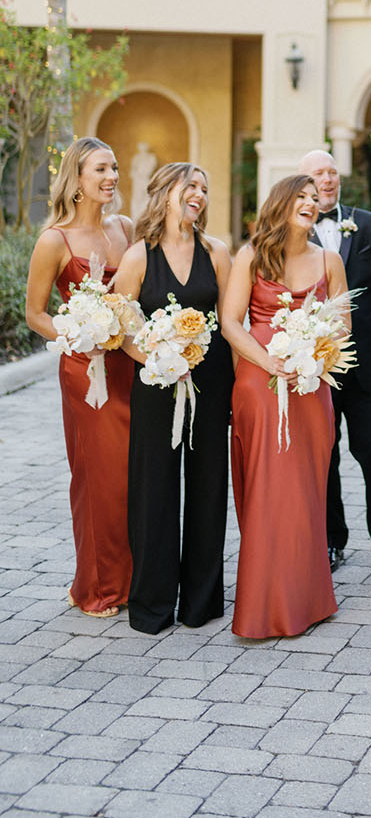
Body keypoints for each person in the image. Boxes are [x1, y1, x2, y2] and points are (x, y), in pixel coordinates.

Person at [221, 175, 349, 638]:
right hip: (259, 383)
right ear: (280, 202)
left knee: (307, 491)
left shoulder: (329, 260)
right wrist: (271, 362)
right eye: (301, 196)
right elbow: (230, 323)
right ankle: (264, 603)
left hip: (312, 388)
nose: (310, 203)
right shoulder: (251, 255)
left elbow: (342, 327)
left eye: (315, 199)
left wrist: (312, 352)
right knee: (270, 489)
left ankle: (308, 597)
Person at [113, 163, 233, 634]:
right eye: (191, 186)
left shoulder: (216, 252)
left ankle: (200, 603)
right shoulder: (138, 256)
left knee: (207, 490)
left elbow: (229, 323)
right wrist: (158, 360)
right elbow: (122, 328)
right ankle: (153, 605)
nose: (199, 194)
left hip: (211, 384)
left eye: (205, 188)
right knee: (153, 492)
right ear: (166, 193)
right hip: (156, 388)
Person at [25, 136, 134, 618]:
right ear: (76, 180)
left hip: (130, 362)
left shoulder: (126, 228)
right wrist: (76, 334)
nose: (111, 177)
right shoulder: (55, 240)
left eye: (114, 168)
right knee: (99, 477)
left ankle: (134, 579)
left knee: (135, 476)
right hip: (86, 369)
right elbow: (35, 314)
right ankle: (96, 586)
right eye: (101, 170)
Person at [299, 150, 371, 579]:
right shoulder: (293, 230)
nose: (327, 180)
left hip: (365, 361)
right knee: (323, 455)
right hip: (313, 366)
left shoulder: (368, 224)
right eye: (318, 173)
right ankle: (331, 540)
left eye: (332, 172)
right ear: (302, 182)